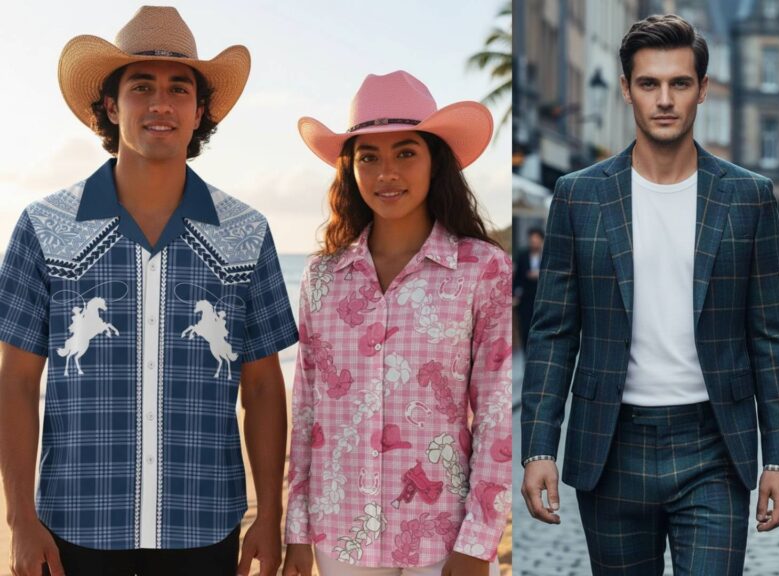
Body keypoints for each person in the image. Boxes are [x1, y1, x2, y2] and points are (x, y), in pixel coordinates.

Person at [0, 7, 297, 576]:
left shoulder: (245, 232)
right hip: (74, 525)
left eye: (178, 88)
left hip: (205, 525)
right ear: (112, 106)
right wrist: (19, 519)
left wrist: (269, 514)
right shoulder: (43, 225)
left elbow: (262, 388)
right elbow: (14, 381)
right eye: (141, 87)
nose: (160, 103)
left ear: (200, 110)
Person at [519, 14, 779, 576]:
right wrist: (539, 446)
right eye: (649, 84)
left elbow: (770, 334)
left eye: (679, 83)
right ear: (626, 89)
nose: (664, 99)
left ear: (702, 88)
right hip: (611, 442)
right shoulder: (579, 197)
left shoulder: (749, 198)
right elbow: (553, 332)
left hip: (716, 445)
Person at [281, 71, 511, 576]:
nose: (387, 172)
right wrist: (295, 530)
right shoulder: (321, 277)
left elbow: (498, 412)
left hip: (444, 536)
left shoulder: (484, 269)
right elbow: (306, 412)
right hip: (339, 535)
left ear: (435, 162)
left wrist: (479, 540)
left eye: (406, 152)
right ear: (350, 169)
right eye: (369, 157)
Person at [513, 228, 544, 350]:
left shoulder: (548, 255)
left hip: (541, 297)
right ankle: (527, 353)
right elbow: (517, 277)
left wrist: (539, 274)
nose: (534, 243)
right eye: (532, 240)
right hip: (525, 297)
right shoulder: (522, 255)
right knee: (525, 327)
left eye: (536, 240)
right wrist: (515, 295)